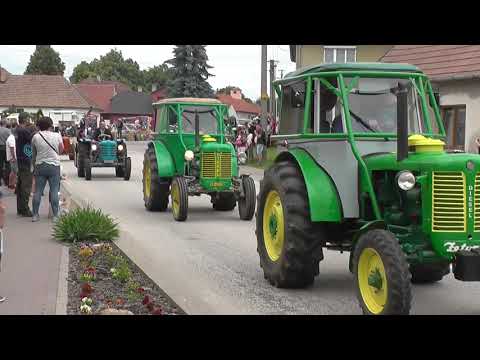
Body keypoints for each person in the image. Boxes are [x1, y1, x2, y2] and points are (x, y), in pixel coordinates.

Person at [31, 117, 64, 222]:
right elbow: (61, 149)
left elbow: (34, 153)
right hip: (54, 166)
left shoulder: (36, 137)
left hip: (40, 165)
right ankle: (55, 216)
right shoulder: (57, 135)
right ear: (50, 125)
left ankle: (35, 215)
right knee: (54, 190)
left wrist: (34, 166)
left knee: (38, 191)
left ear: (39, 126)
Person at [15, 113, 34, 217]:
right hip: (26, 158)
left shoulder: (17, 130)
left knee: (20, 185)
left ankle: (20, 208)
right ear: (25, 119)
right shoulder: (24, 131)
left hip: (20, 158)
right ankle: (25, 209)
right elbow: (32, 140)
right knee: (26, 185)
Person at [0, 119, 11, 186]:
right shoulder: (8, 130)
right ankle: (6, 180)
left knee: (0, 165)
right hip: (6, 148)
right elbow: (11, 139)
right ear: (5, 123)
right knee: (7, 164)